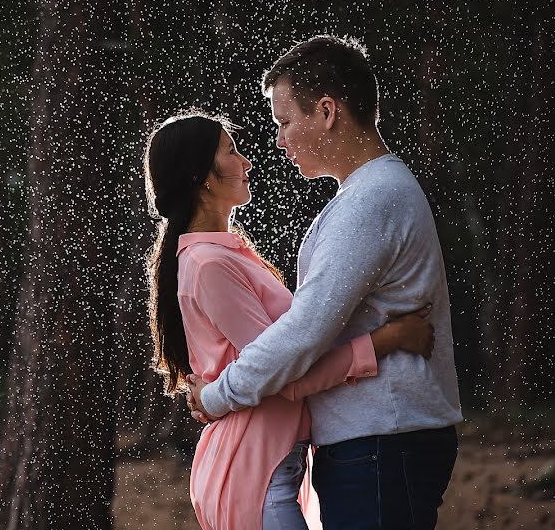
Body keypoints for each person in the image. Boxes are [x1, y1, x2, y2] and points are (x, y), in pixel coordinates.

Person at [186, 36, 463, 530]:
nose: (280, 140)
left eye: (286, 121)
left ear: (328, 112)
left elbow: (302, 334)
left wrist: (215, 397)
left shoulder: (370, 202)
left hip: (383, 439)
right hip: (376, 440)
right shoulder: (365, 195)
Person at [144, 110, 436, 530]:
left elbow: (290, 353)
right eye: (232, 152)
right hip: (254, 475)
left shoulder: (228, 253)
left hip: (272, 467)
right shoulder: (209, 265)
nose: (246, 162)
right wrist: (385, 340)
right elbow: (285, 374)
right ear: (201, 176)